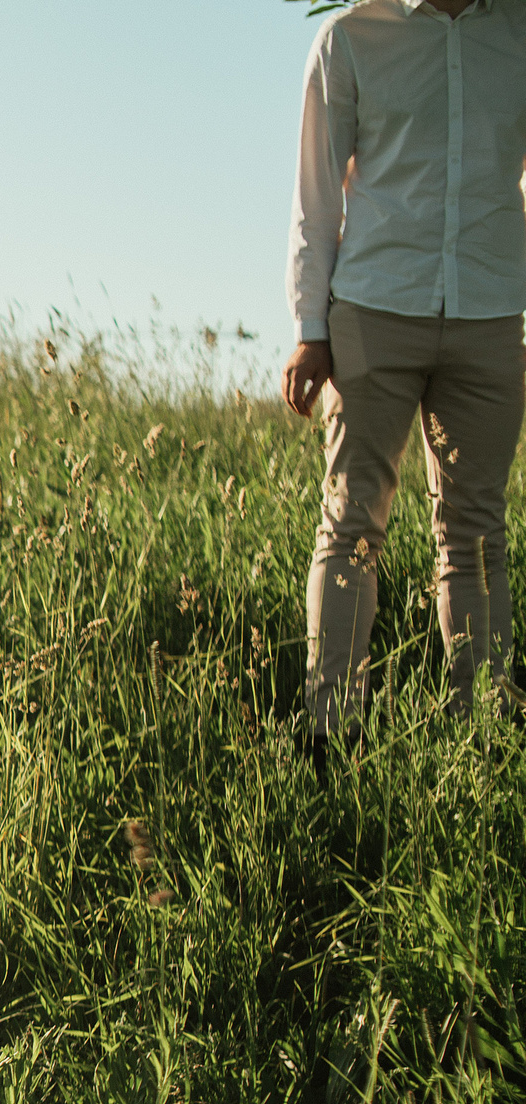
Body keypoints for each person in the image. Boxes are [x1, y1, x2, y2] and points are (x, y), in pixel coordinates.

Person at [282, 0, 526, 733]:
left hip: (490, 312)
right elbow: (316, 197)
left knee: (477, 532)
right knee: (353, 522)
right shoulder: (350, 37)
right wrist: (309, 327)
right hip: (372, 309)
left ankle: (482, 730)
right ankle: (331, 731)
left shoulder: (519, 33)